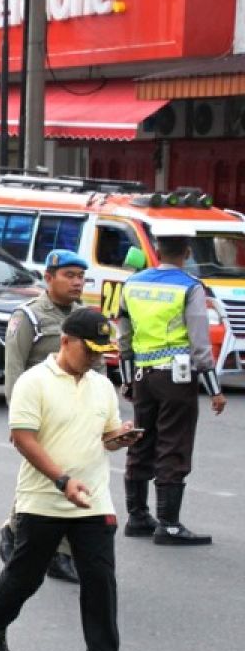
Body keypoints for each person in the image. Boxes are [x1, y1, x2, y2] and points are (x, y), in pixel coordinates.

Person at [0, 308, 141, 651]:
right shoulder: (34, 383)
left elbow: (103, 437)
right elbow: (23, 437)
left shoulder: (100, 385)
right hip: (42, 501)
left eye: (101, 353)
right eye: (90, 351)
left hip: (93, 500)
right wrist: (62, 480)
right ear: (65, 341)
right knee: (26, 576)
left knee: (100, 580)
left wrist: (118, 438)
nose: (96, 359)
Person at [117, 226, 226, 546]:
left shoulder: (132, 284)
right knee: (173, 445)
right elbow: (200, 343)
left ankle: (137, 516)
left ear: (157, 250)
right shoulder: (190, 287)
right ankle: (169, 523)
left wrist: (126, 379)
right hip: (176, 379)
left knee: (141, 439)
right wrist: (214, 388)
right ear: (187, 253)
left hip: (142, 376)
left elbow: (124, 336)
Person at [0, 249, 90, 584]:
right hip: (40, 413)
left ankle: (13, 529)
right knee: (54, 476)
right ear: (49, 278)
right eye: (69, 275)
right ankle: (59, 553)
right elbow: (13, 368)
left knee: (58, 475)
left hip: (75, 412)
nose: (77, 282)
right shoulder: (29, 316)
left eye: (80, 276)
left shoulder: (85, 316)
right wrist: (18, 421)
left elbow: (94, 365)